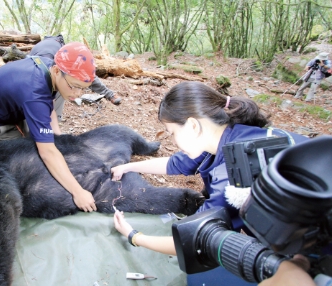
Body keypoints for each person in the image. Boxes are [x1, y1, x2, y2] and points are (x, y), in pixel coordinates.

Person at [111, 81, 308, 285]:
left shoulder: (234, 175)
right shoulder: (230, 134)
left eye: (172, 133)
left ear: (193, 125)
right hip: (298, 233)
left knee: (200, 275)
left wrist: (134, 235)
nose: (173, 141)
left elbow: (195, 240)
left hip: (304, 263)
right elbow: (176, 163)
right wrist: (128, 167)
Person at [0, 42, 97, 213]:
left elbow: (49, 103)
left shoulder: (47, 68)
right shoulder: (34, 94)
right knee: (28, 163)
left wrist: (58, 140)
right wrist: (78, 192)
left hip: (12, 105)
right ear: (56, 71)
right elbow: (47, 152)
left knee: (47, 145)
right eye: (74, 86)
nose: (77, 94)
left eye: (83, 89)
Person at [29, 34, 122, 121]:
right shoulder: (45, 62)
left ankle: (54, 124)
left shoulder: (70, 54)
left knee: (64, 85)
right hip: (36, 76)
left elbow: (86, 75)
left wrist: (109, 94)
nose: (78, 93)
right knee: (60, 85)